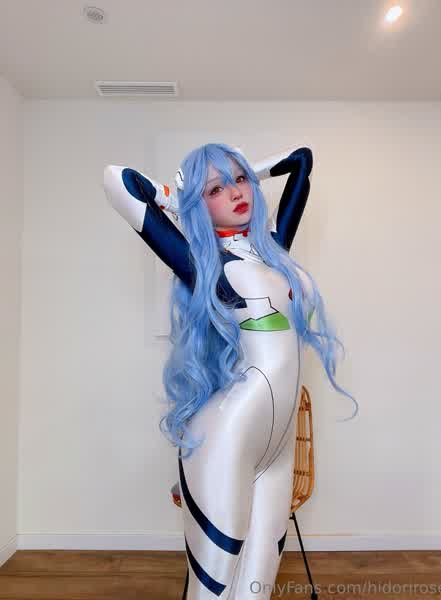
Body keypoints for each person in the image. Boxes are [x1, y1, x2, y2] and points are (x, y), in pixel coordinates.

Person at [103, 143, 357, 599]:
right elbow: (118, 181)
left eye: (241, 181)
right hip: (227, 436)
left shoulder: (273, 250)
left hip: (277, 448)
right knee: (213, 590)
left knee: (256, 588)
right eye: (216, 189)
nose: (237, 192)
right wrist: (182, 199)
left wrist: (245, 172)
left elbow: (301, 162)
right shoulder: (201, 261)